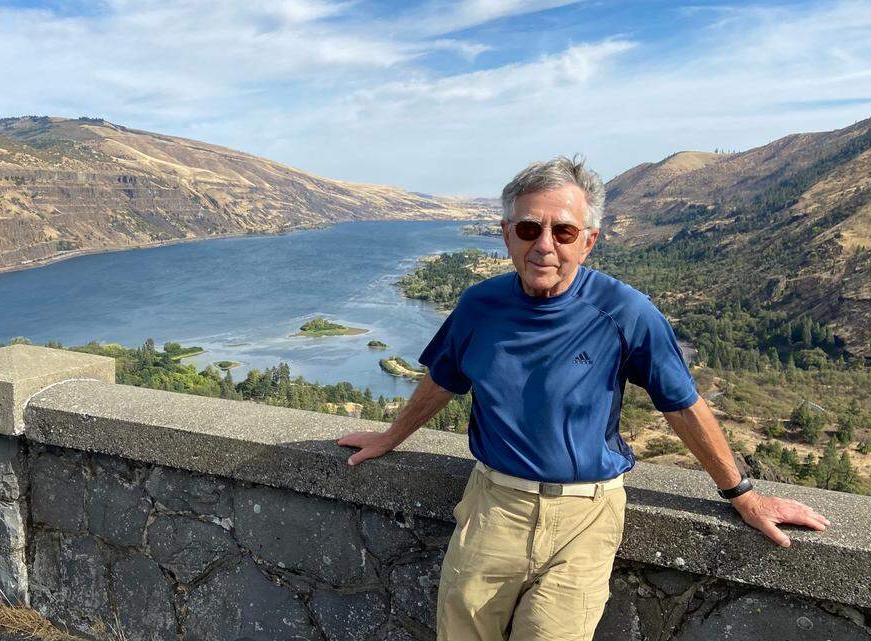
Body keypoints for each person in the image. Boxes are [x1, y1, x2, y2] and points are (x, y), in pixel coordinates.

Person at [336, 156, 830, 641]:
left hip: (586, 515)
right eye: (529, 229)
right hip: (493, 506)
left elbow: (681, 405)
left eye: (564, 232)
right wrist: (390, 436)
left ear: (588, 241)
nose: (544, 246)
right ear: (507, 233)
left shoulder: (626, 311)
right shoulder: (478, 306)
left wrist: (742, 494)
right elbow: (444, 379)